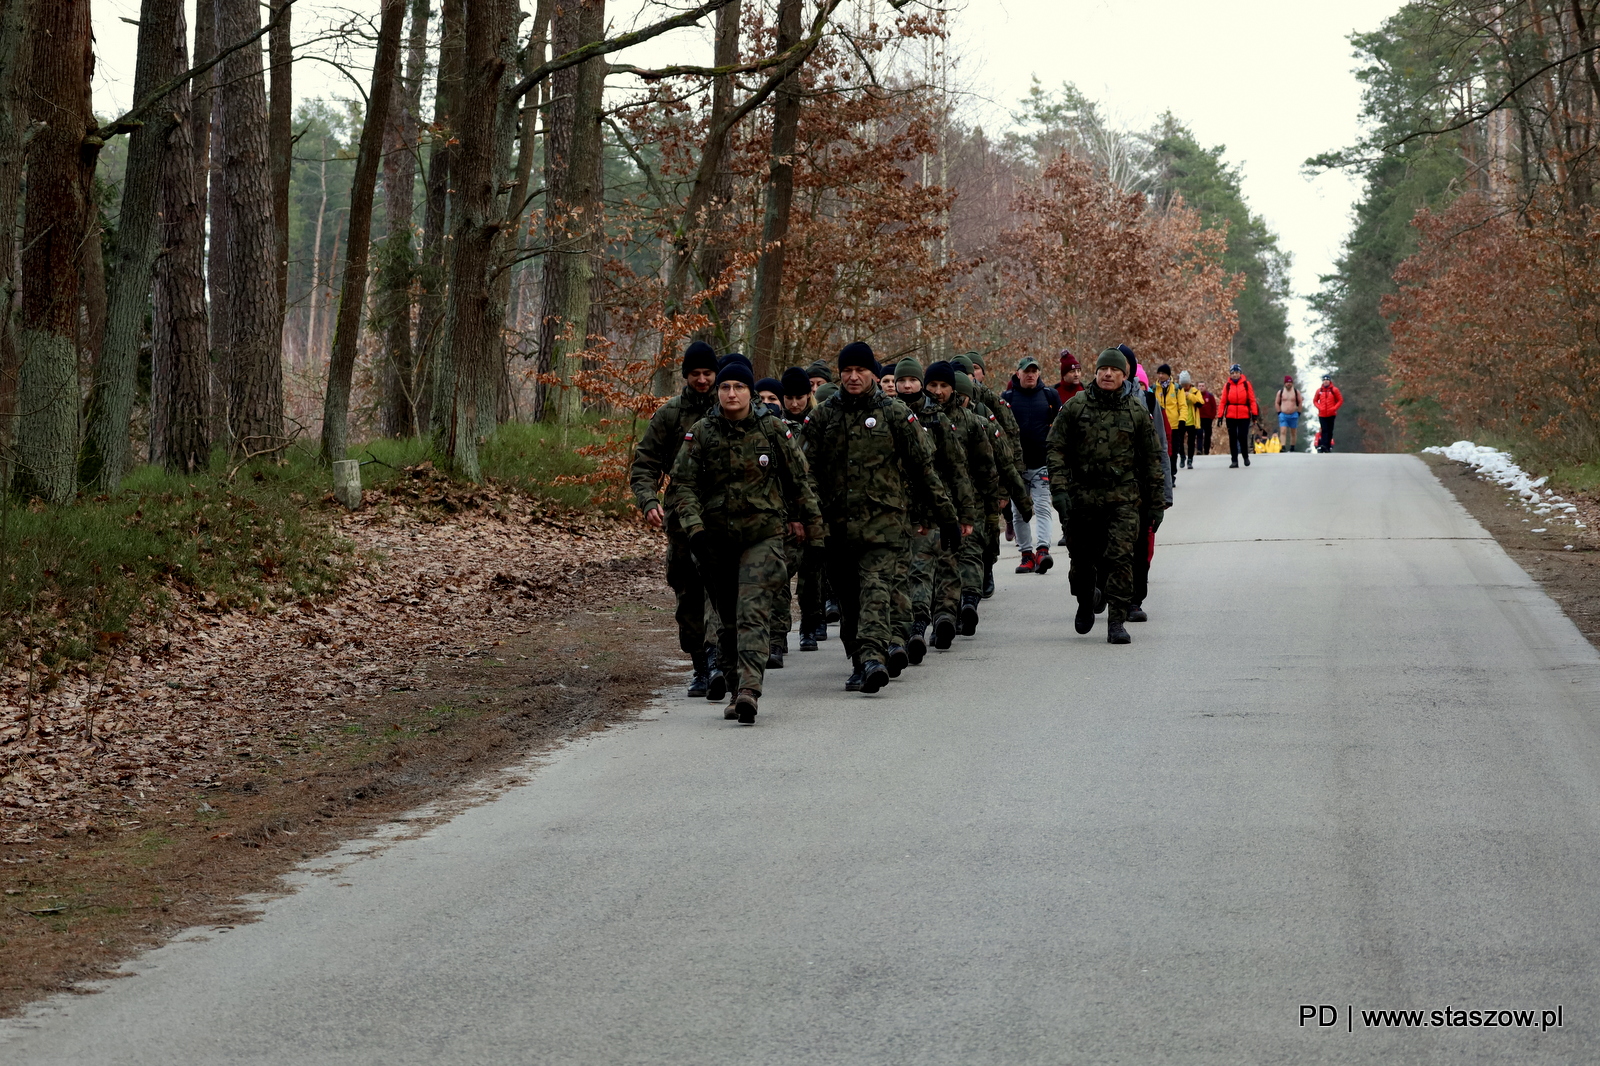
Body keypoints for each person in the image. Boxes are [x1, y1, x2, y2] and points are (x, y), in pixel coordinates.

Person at [668, 360, 822, 725]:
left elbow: (800, 483)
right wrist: (696, 530)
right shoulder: (702, 432)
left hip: (763, 537)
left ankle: (749, 691)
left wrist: (815, 536)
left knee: (752, 612)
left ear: (750, 393)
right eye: (725, 388)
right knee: (727, 619)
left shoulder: (772, 430)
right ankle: (736, 686)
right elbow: (682, 486)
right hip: (715, 542)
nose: (731, 394)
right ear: (718, 393)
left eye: (738, 387)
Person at [804, 341, 958, 694]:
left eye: (861, 371)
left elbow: (923, 468)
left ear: (874, 373)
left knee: (875, 588)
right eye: (847, 371)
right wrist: (810, 516)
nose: (854, 377)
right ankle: (860, 660)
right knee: (849, 598)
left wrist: (946, 515)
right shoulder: (824, 415)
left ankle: (873, 657)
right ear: (840, 373)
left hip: (884, 524)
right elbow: (803, 470)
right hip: (838, 526)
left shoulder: (894, 414)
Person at [1047, 348, 1166, 645]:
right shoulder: (1076, 407)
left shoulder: (1136, 411)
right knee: (1082, 561)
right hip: (1082, 497)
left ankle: (1116, 621)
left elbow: (1152, 458)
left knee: (1120, 558)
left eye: (1114, 371)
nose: (1108, 374)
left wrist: (1156, 502)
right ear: (1096, 373)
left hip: (1123, 497)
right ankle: (1085, 601)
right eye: (1103, 370)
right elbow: (1055, 448)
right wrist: (1059, 489)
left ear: (1124, 376)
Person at [629, 341, 724, 700]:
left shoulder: (729, 405)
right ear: (686, 376)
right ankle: (700, 664)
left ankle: (718, 661)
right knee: (688, 594)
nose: (702, 380)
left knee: (719, 589)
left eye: (707, 373)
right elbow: (645, 464)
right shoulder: (669, 414)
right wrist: (648, 500)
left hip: (720, 515)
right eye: (696, 374)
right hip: (681, 518)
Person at [895, 358, 977, 663]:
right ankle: (917, 623)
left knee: (946, 564)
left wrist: (965, 513)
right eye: (901, 380)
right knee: (915, 570)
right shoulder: (887, 414)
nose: (906, 386)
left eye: (912, 381)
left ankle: (944, 615)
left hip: (939, 506)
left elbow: (957, 468)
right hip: (902, 510)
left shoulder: (937, 419)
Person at [773, 367, 827, 655]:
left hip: (817, 506)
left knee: (811, 573)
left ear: (809, 395)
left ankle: (809, 623)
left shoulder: (819, 421)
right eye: (789, 398)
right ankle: (778, 634)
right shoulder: (774, 424)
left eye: (800, 397)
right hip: (784, 509)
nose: (794, 403)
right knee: (780, 572)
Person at [1002, 354, 1062, 574]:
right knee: (1019, 512)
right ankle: (1026, 555)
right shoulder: (1007, 397)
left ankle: (1043, 551)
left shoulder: (1050, 395)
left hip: (1042, 463)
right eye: (1027, 371)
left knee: (1043, 507)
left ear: (1039, 373)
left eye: (1034, 371)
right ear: (1018, 373)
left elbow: (1062, 425)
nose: (1031, 375)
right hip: (1016, 467)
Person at [1219, 363, 1258, 468]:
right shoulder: (1227, 386)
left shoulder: (1246, 384)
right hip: (1231, 414)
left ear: (1240, 373)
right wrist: (1220, 415)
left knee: (1242, 436)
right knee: (1232, 437)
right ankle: (1234, 460)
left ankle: (1245, 456)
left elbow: (1252, 400)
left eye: (1236, 373)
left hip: (1244, 414)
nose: (1235, 375)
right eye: (1233, 373)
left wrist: (1254, 414)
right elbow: (1223, 401)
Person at [1314, 373, 1343, 452]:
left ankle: (1328, 446)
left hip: (1331, 413)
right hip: (1322, 414)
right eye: (1324, 380)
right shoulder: (1319, 391)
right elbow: (1315, 401)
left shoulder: (1334, 390)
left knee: (1330, 430)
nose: (1326, 381)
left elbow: (1340, 400)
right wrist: (1320, 407)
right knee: (1324, 429)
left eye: (1327, 380)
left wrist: (1334, 408)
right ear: (1323, 381)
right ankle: (1323, 445)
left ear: (1330, 381)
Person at [1275, 374, 1303, 452]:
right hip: (1283, 414)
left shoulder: (1296, 392)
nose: (1288, 384)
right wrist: (1279, 412)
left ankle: (1292, 447)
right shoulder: (1280, 392)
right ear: (1284, 383)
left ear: (1292, 383)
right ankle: (1283, 447)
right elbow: (1277, 403)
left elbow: (1300, 402)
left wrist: (1299, 413)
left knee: (1293, 432)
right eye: (1287, 382)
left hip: (1293, 414)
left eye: (1290, 382)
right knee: (1283, 430)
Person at [1197, 380, 1218, 456]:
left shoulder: (1209, 396)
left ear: (1205, 387)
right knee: (1199, 434)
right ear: (1198, 387)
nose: (1201, 387)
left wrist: (1212, 416)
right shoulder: (1195, 396)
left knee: (1207, 435)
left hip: (1208, 419)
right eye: (1200, 386)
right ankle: (1199, 450)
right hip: (1198, 418)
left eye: (1202, 386)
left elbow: (1214, 407)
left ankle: (1206, 450)